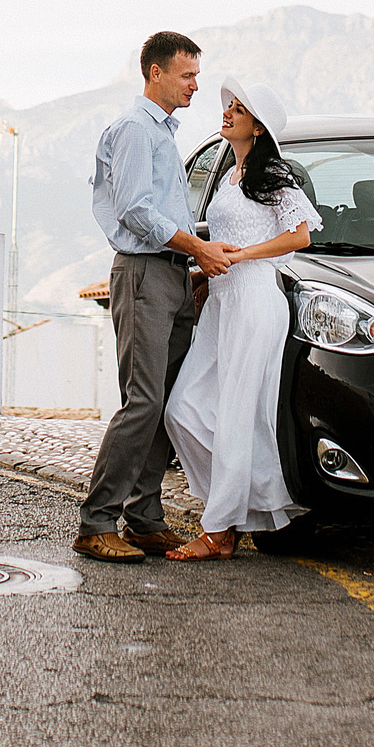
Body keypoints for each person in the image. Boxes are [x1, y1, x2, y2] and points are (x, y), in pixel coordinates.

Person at [74, 32, 236, 564]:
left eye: (196, 75)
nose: (195, 86)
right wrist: (198, 248)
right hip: (143, 274)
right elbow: (135, 210)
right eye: (187, 75)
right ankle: (97, 522)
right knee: (143, 400)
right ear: (155, 73)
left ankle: (144, 518)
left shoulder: (162, 133)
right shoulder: (135, 130)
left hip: (172, 276)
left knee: (168, 400)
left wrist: (192, 264)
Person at [160, 79, 315, 558]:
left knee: (236, 414)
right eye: (228, 106)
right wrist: (205, 275)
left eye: (239, 109)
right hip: (222, 300)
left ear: (258, 127)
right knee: (183, 408)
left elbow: (300, 236)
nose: (227, 112)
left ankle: (219, 531)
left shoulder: (275, 176)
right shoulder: (229, 173)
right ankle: (235, 504)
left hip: (255, 299)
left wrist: (244, 255)